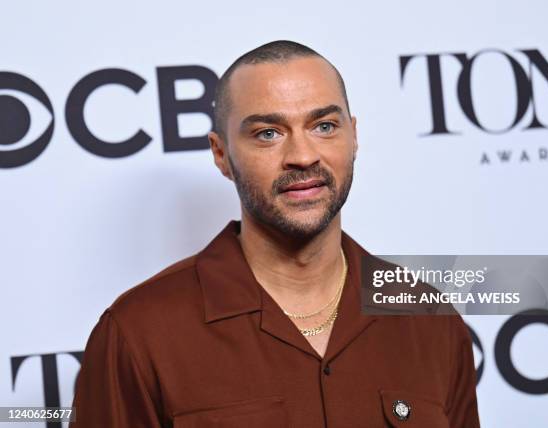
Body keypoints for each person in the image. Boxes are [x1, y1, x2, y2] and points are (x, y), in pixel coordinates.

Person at [70, 40, 480, 428]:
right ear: (221, 154)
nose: (302, 156)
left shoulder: (427, 317)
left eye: (323, 125)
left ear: (353, 136)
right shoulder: (140, 332)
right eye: (268, 133)